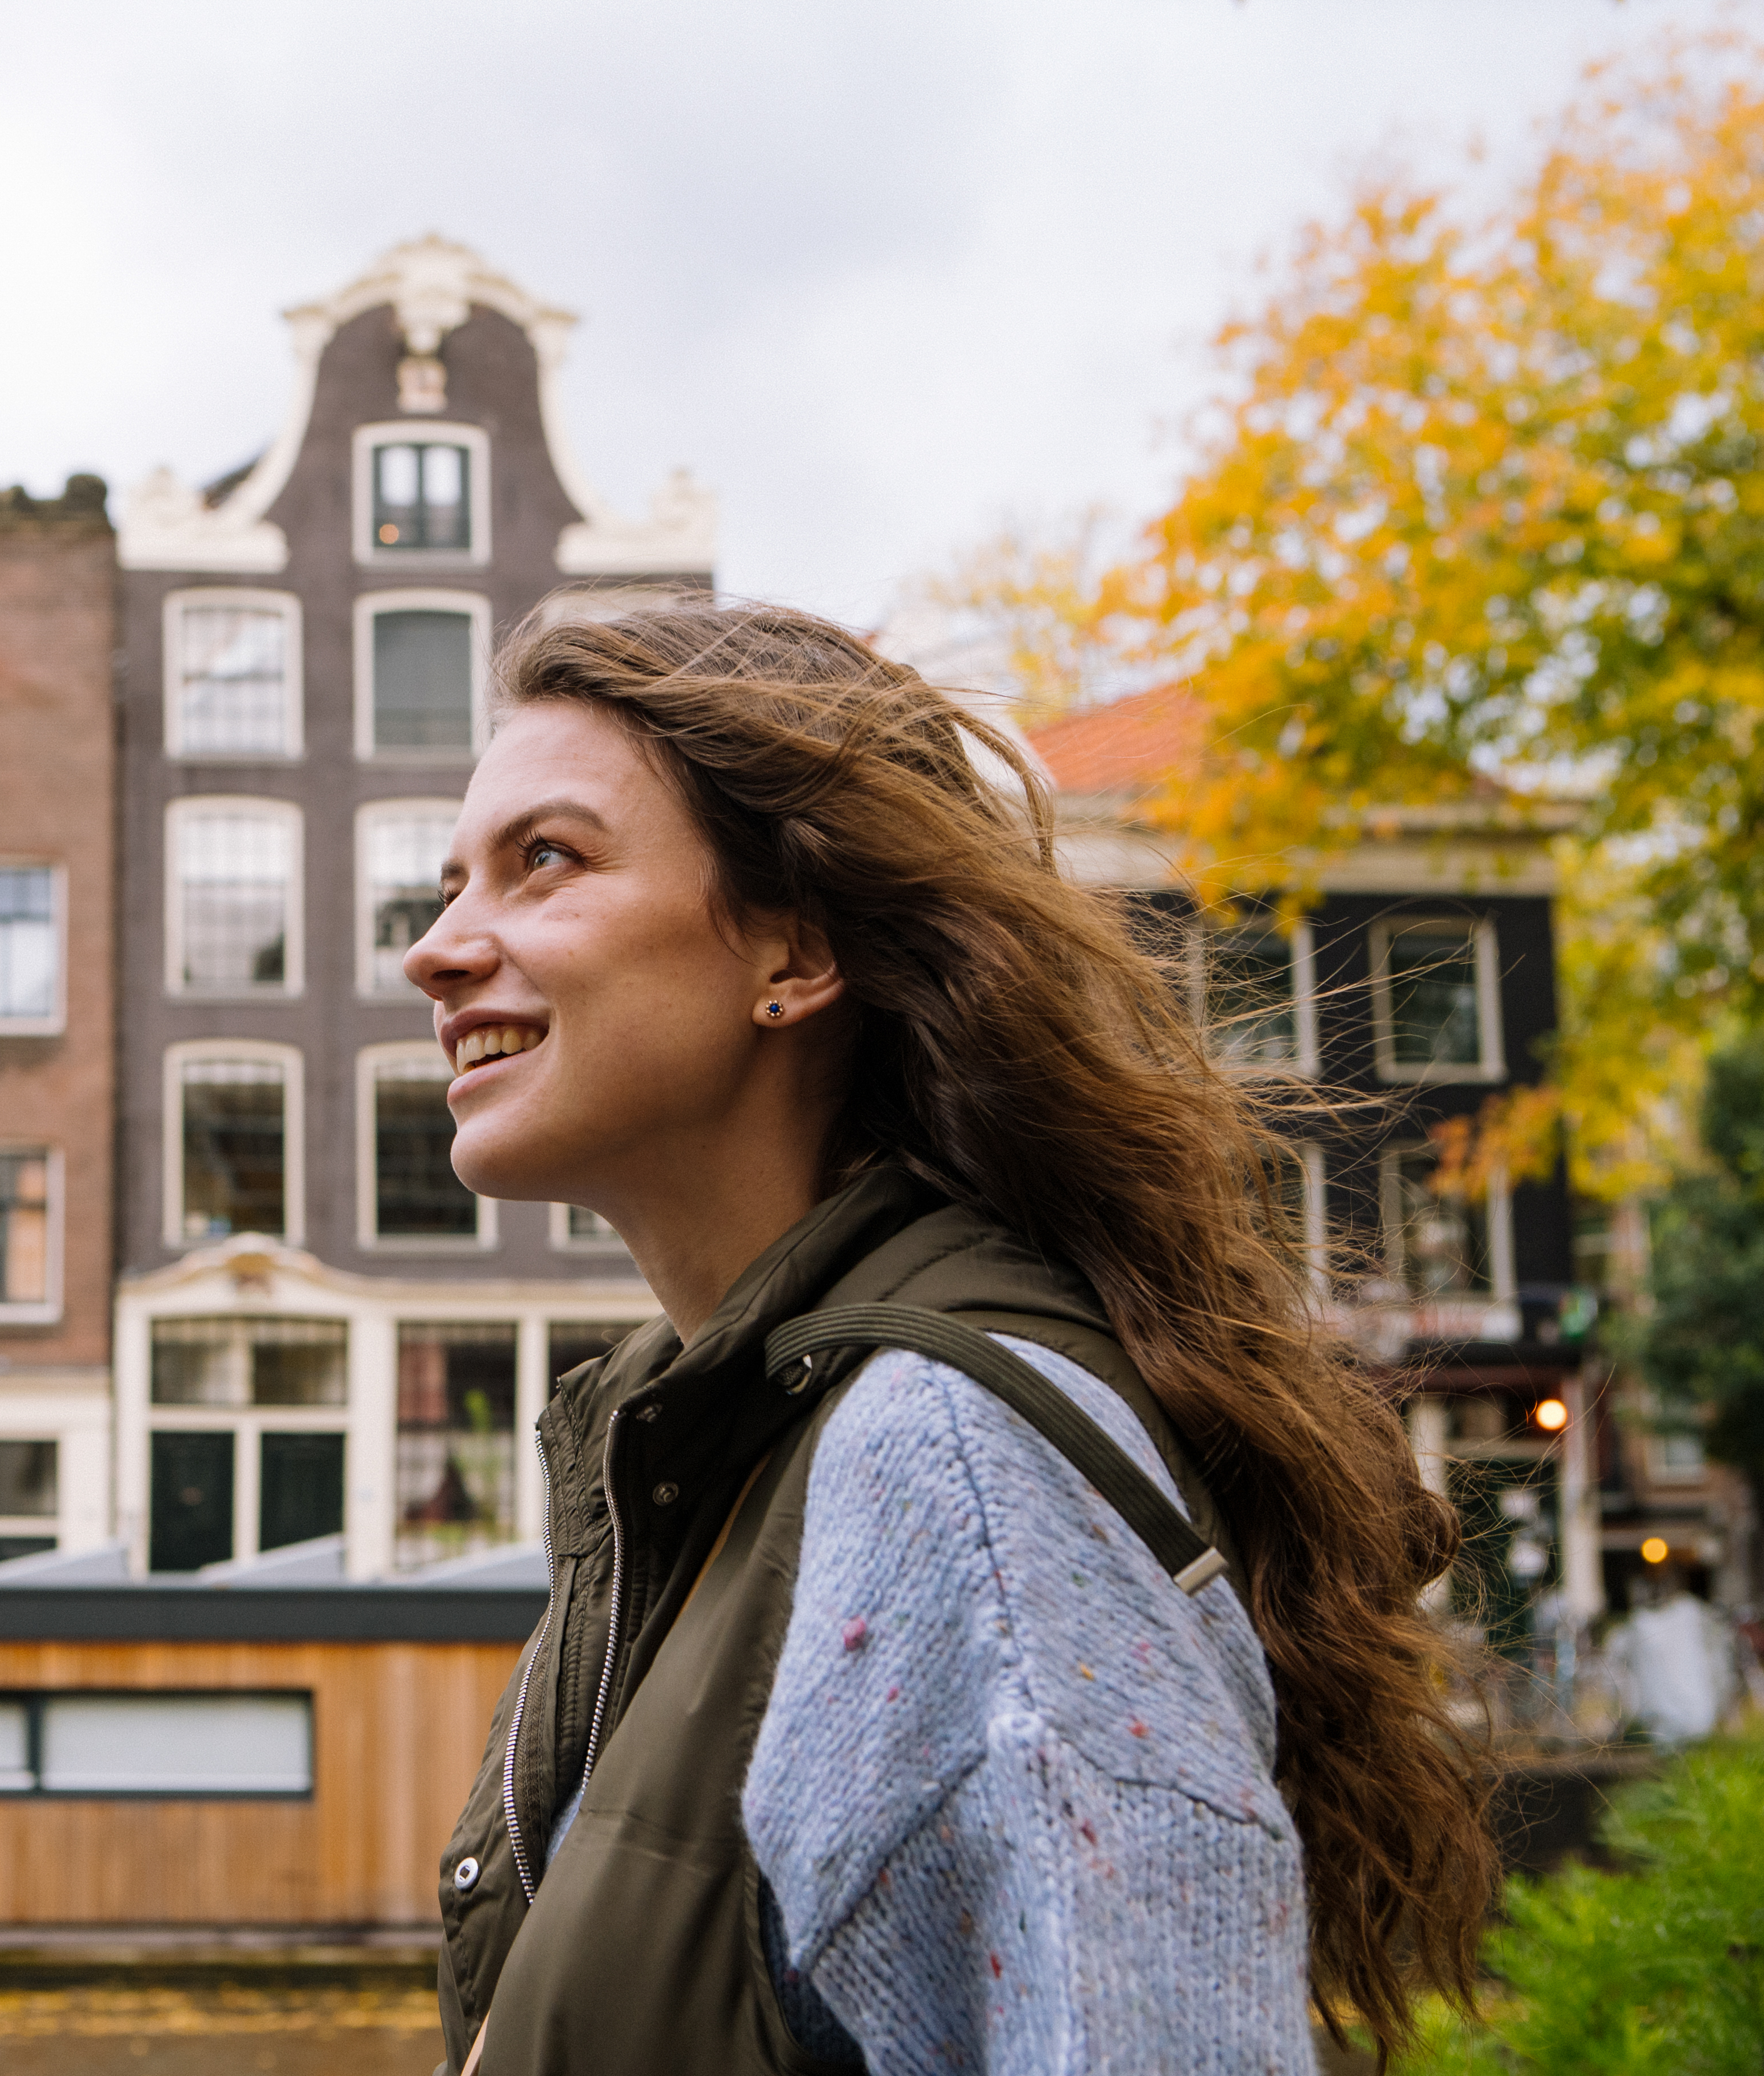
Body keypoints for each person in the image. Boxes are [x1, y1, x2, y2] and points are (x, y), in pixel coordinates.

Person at [411, 600, 1490, 2074]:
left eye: (545, 861)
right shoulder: (709, 1465)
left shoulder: (949, 1471)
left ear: (791, 950)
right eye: (452, 880)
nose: (438, 949)